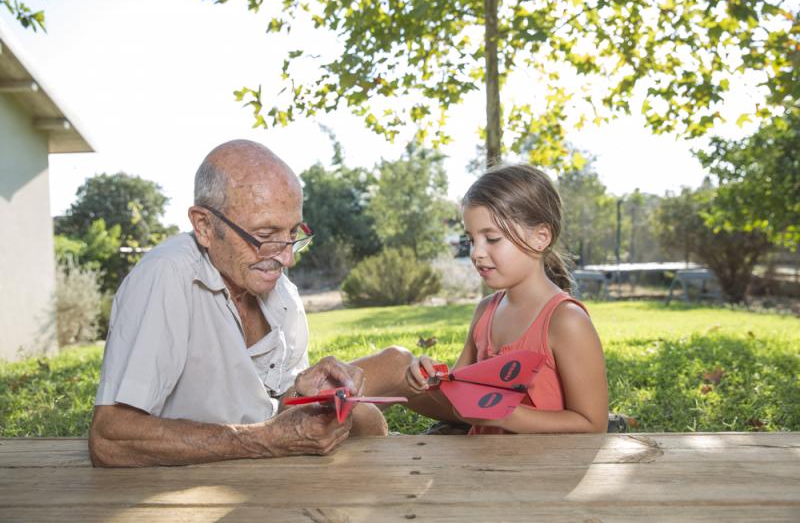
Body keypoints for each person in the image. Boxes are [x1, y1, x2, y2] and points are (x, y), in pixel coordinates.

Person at [89, 139, 407, 467]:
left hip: (260, 474)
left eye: (293, 233)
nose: (287, 258)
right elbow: (109, 440)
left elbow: (273, 410)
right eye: (266, 236)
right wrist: (265, 439)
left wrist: (304, 393)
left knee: (369, 417)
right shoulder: (166, 275)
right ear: (204, 226)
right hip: (179, 484)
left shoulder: (281, 292)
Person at [402, 164, 609, 434]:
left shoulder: (566, 321)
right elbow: (457, 403)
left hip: (543, 461)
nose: (476, 253)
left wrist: (506, 415)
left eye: (492, 239)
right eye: (471, 240)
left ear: (540, 237)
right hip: (481, 458)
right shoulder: (485, 312)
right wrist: (431, 380)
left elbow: (593, 425)